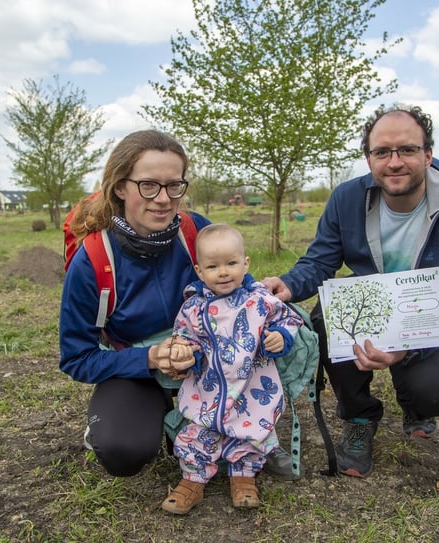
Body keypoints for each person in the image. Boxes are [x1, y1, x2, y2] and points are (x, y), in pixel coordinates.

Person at [263, 105, 439, 478]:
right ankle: (359, 417)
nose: (394, 162)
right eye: (382, 152)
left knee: (434, 388)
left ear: (428, 154)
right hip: (373, 306)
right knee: (327, 313)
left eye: (407, 150)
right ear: (369, 158)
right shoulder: (346, 199)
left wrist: (405, 347)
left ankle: (416, 403)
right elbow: (320, 262)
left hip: (430, 316)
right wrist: (287, 284)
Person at [59, 130, 296, 481]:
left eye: (174, 186)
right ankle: (154, 414)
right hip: (140, 365)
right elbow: (76, 358)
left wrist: (267, 302)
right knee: (123, 452)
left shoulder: (194, 230)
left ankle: (237, 432)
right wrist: (151, 358)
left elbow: (239, 291)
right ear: (120, 188)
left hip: (210, 360)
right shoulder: (92, 261)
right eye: (149, 186)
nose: (163, 199)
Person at [161, 224, 303, 514]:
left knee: (249, 434)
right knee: (198, 434)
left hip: (252, 387)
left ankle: (243, 477)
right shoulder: (193, 308)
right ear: (199, 271)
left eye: (231, 263)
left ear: (245, 263)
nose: (223, 272)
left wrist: (281, 336)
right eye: (213, 266)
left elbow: (289, 319)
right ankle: (192, 481)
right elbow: (183, 337)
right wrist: (185, 352)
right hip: (208, 389)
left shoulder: (260, 300)